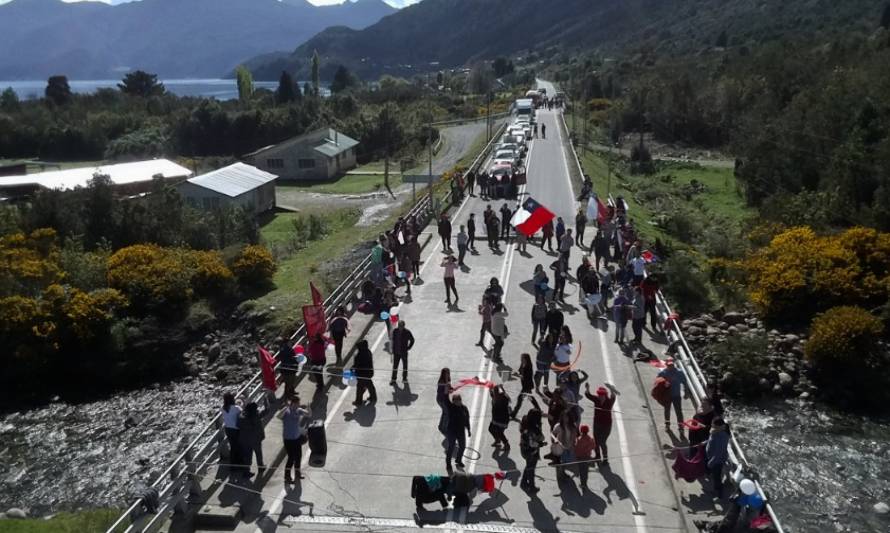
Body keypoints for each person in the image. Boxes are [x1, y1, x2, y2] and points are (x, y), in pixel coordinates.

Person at [281, 395, 311, 483]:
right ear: (293, 403)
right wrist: (286, 407)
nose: (299, 404)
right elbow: (279, 416)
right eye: (298, 403)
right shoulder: (286, 411)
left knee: (298, 456)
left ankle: (298, 473)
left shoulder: (299, 410)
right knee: (291, 458)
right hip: (288, 439)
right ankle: (287, 477)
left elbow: (309, 414)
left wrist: (309, 408)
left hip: (296, 437)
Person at [584, 384, 616, 465]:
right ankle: (597, 456)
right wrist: (587, 388)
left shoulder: (609, 401)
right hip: (597, 423)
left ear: (605, 395)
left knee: (602, 442)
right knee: (596, 441)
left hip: (606, 425)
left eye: (602, 395)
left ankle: (605, 459)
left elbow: (613, 396)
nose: (601, 396)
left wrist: (611, 389)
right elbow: (588, 395)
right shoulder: (596, 399)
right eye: (599, 395)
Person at [519, 401, 545, 493]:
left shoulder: (525, 421)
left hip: (524, 449)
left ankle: (523, 482)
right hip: (531, 451)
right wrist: (540, 444)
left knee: (528, 466)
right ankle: (532, 487)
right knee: (531, 469)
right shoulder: (533, 429)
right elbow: (532, 443)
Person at [657, 357, 689, 432]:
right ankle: (667, 425)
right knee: (667, 410)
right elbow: (657, 383)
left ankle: (681, 427)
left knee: (678, 411)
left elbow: (685, 383)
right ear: (666, 365)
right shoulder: (663, 373)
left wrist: (686, 392)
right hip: (667, 395)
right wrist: (664, 384)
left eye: (672, 365)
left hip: (676, 395)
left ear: (674, 364)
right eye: (669, 365)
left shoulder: (679, 372)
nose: (671, 367)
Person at [445, 394, 471, 473]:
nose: (456, 402)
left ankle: (458, 460)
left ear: (460, 400)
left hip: (460, 431)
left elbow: (467, 419)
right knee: (451, 448)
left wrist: (469, 429)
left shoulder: (464, 408)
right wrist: (446, 390)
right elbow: (446, 399)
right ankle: (448, 464)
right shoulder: (451, 407)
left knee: (462, 446)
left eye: (458, 400)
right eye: (455, 401)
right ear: (453, 401)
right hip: (451, 431)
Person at [706, 418, 731, 499]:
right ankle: (717, 489)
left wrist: (711, 462)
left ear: (721, 427)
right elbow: (711, 440)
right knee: (716, 476)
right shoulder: (716, 432)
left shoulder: (721, 437)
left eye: (714, 426)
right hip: (714, 458)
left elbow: (718, 453)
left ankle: (718, 492)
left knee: (717, 477)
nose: (713, 428)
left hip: (717, 461)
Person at [239, 402, 265, 477]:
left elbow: (238, 425)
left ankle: (246, 471)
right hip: (255, 439)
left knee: (247, 456)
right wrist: (266, 400)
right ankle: (261, 467)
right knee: (258, 454)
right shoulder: (256, 416)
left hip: (245, 440)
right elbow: (267, 410)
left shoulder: (241, 417)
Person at [221, 392, 243, 472]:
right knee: (239, 446)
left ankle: (233, 466)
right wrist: (240, 404)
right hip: (236, 429)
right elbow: (242, 412)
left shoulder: (223, 408)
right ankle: (240, 465)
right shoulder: (236, 408)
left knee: (233, 447)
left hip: (228, 429)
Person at [352, 339, 377, 405]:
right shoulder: (368, 352)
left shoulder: (359, 355)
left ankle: (358, 401)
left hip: (361, 374)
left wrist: (352, 369)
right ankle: (373, 397)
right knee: (370, 385)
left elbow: (356, 365)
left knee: (359, 387)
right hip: (369, 373)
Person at [511, 353, 535, 419]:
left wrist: (517, 375)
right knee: (530, 398)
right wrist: (516, 373)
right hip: (525, 385)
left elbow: (524, 377)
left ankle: (513, 414)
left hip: (527, 385)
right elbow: (520, 371)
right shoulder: (523, 364)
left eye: (522, 358)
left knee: (520, 399)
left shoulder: (528, 367)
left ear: (526, 359)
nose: (521, 359)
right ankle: (538, 408)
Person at [391, 320, 415, 384]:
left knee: (405, 366)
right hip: (396, 352)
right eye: (399, 325)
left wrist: (408, 347)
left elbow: (412, 340)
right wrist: (392, 349)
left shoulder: (407, 332)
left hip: (404, 352)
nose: (400, 327)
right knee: (395, 366)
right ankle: (393, 379)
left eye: (401, 326)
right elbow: (393, 340)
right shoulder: (395, 331)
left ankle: (404, 378)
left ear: (404, 326)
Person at [488, 385, 511, 451]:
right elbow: (492, 394)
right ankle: (497, 440)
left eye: (494, 391)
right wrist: (490, 389)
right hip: (495, 418)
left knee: (499, 432)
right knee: (490, 429)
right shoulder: (495, 396)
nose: (493, 393)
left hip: (502, 419)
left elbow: (507, 398)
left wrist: (503, 389)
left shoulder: (503, 398)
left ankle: (506, 444)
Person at [436, 368, 453, 435]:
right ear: (443, 374)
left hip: (445, 399)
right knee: (447, 413)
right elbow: (446, 392)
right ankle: (444, 428)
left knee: (445, 412)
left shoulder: (448, 380)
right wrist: (449, 389)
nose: (448, 375)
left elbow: (449, 388)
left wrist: (451, 389)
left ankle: (441, 426)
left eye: (448, 373)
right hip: (441, 400)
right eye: (447, 373)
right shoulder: (441, 381)